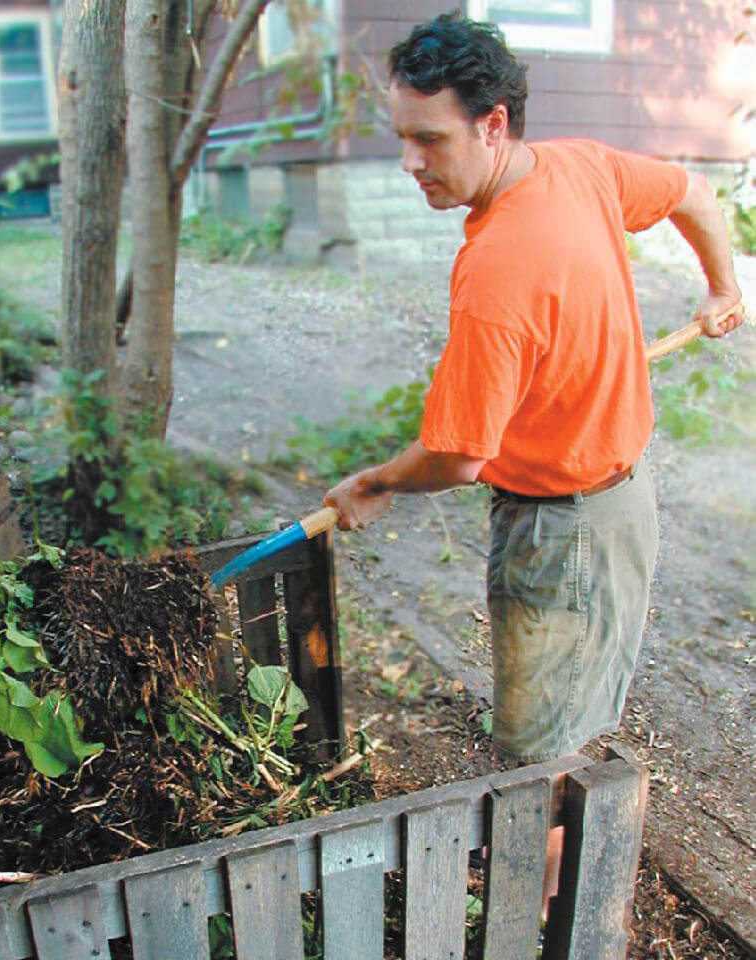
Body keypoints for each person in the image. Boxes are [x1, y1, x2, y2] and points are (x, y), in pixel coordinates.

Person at [322, 10, 745, 918]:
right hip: (623, 502)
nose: (410, 163)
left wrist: (378, 483)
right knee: (579, 708)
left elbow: (460, 453)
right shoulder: (581, 168)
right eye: (401, 138)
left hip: (562, 533)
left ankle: (557, 906)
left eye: (429, 139)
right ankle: (566, 872)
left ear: (494, 124)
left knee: (535, 746)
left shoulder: (498, 269)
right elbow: (693, 193)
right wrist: (723, 285)